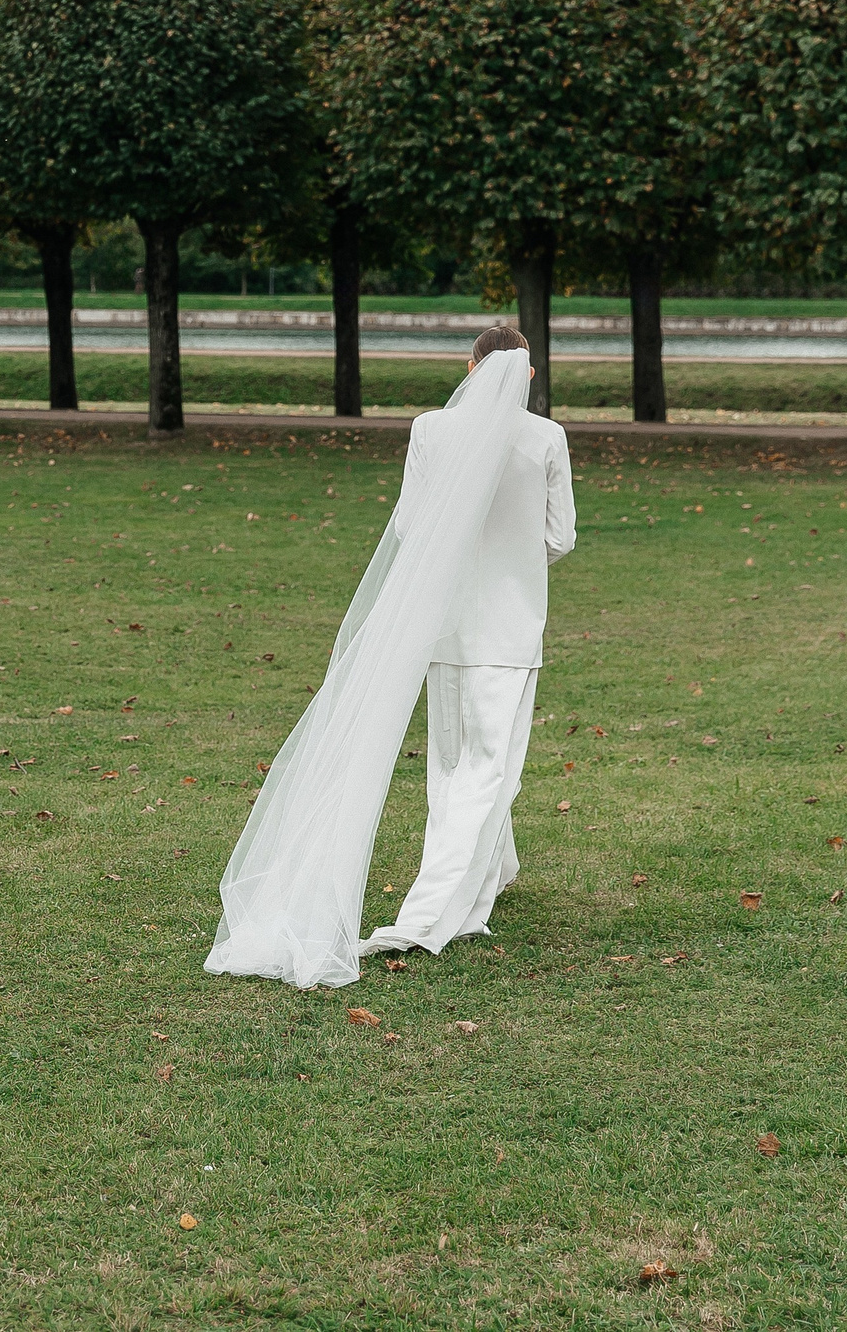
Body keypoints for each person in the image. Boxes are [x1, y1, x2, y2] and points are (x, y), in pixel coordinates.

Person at [204, 328, 575, 988]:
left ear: (470, 367)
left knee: (455, 761)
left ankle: (492, 871)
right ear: (526, 373)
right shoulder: (546, 439)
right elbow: (560, 537)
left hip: (443, 623)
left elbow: (409, 528)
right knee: (488, 767)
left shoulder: (431, 430)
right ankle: (429, 912)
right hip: (511, 629)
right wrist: (517, 562)